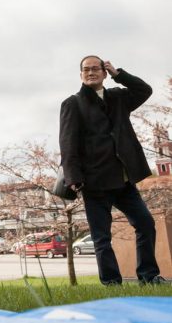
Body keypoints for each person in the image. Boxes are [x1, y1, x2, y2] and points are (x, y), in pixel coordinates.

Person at [59, 56, 168, 286]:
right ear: (81, 75)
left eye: (96, 68)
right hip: (94, 182)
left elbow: (143, 89)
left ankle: (148, 276)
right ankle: (111, 282)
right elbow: (67, 144)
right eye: (86, 70)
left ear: (104, 72)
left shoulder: (119, 98)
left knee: (145, 224)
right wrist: (73, 178)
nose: (90, 72)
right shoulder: (72, 103)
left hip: (124, 180)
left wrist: (120, 73)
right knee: (102, 237)